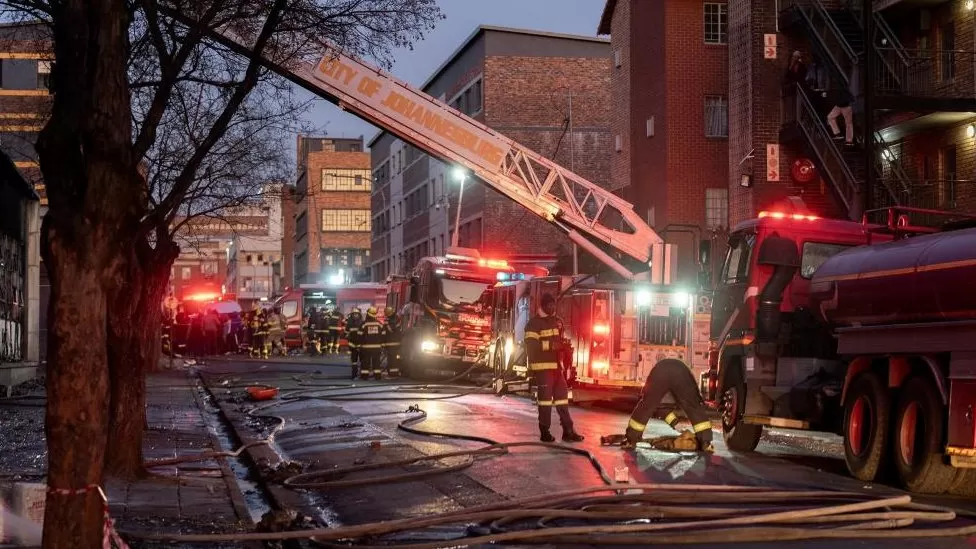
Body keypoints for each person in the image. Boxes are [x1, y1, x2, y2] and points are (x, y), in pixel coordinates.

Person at [525, 293, 584, 443]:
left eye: (553, 305)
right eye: (549, 305)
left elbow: (559, 340)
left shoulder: (556, 322)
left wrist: (564, 347)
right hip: (543, 368)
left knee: (562, 400)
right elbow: (531, 347)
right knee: (545, 402)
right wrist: (551, 346)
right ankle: (545, 432)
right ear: (543, 306)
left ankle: (568, 431)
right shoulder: (534, 324)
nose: (552, 308)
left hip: (557, 368)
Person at [623, 358, 714, 452]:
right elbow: (664, 410)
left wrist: (677, 425)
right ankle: (705, 443)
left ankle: (630, 440)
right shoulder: (671, 398)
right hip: (680, 370)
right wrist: (676, 424)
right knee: (693, 406)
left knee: (647, 405)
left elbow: (662, 410)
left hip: (660, 370)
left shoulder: (661, 401)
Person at [358, 307, 386, 380]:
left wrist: (360, 345)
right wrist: (382, 344)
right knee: (376, 362)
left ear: (368, 314)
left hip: (366, 348)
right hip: (377, 348)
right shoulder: (379, 324)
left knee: (365, 362)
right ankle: (377, 376)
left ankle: (364, 376)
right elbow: (383, 334)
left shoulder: (364, 324)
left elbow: (359, 335)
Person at [383, 306, 403, 378]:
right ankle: (392, 373)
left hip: (393, 342)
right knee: (391, 358)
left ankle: (393, 373)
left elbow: (391, 330)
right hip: (391, 342)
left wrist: (386, 324)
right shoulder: (393, 318)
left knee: (393, 359)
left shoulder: (395, 319)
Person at [345, 307, 364, 378]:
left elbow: (364, 334)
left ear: (359, 315)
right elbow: (346, 333)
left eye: (357, 314)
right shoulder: (349, 323)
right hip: (352, 345)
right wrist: (348, 338)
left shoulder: (362, 322)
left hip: (360, 345)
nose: (355, 315)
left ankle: (363, 375)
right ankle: (354, 375)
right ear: (352, 315)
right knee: (354, 361)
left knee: (362, 361)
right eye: (354, 314)